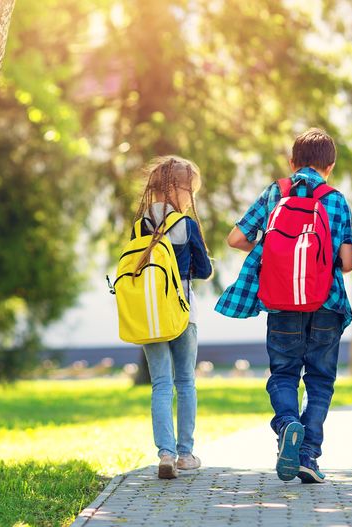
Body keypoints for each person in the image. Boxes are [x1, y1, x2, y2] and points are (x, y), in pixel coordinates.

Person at [219, 128, 352, 483]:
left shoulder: (274, 192)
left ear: (292, 162)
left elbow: (236, 239)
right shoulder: (336, 199)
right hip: (327, 302)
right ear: (331, 166)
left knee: (283, 374)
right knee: (320, 380)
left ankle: (287, 425)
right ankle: (309, 454)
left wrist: (276, 254)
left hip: (281, 301)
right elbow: (349, 261)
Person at [134, 156, 213, 479]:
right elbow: (205, 270)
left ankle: (164, 454)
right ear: (179, 190)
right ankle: (185, 454)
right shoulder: (186, 225)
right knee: (185, 382)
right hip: (182, 312)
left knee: (161, 384)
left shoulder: (141, 225)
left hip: (150, 315)